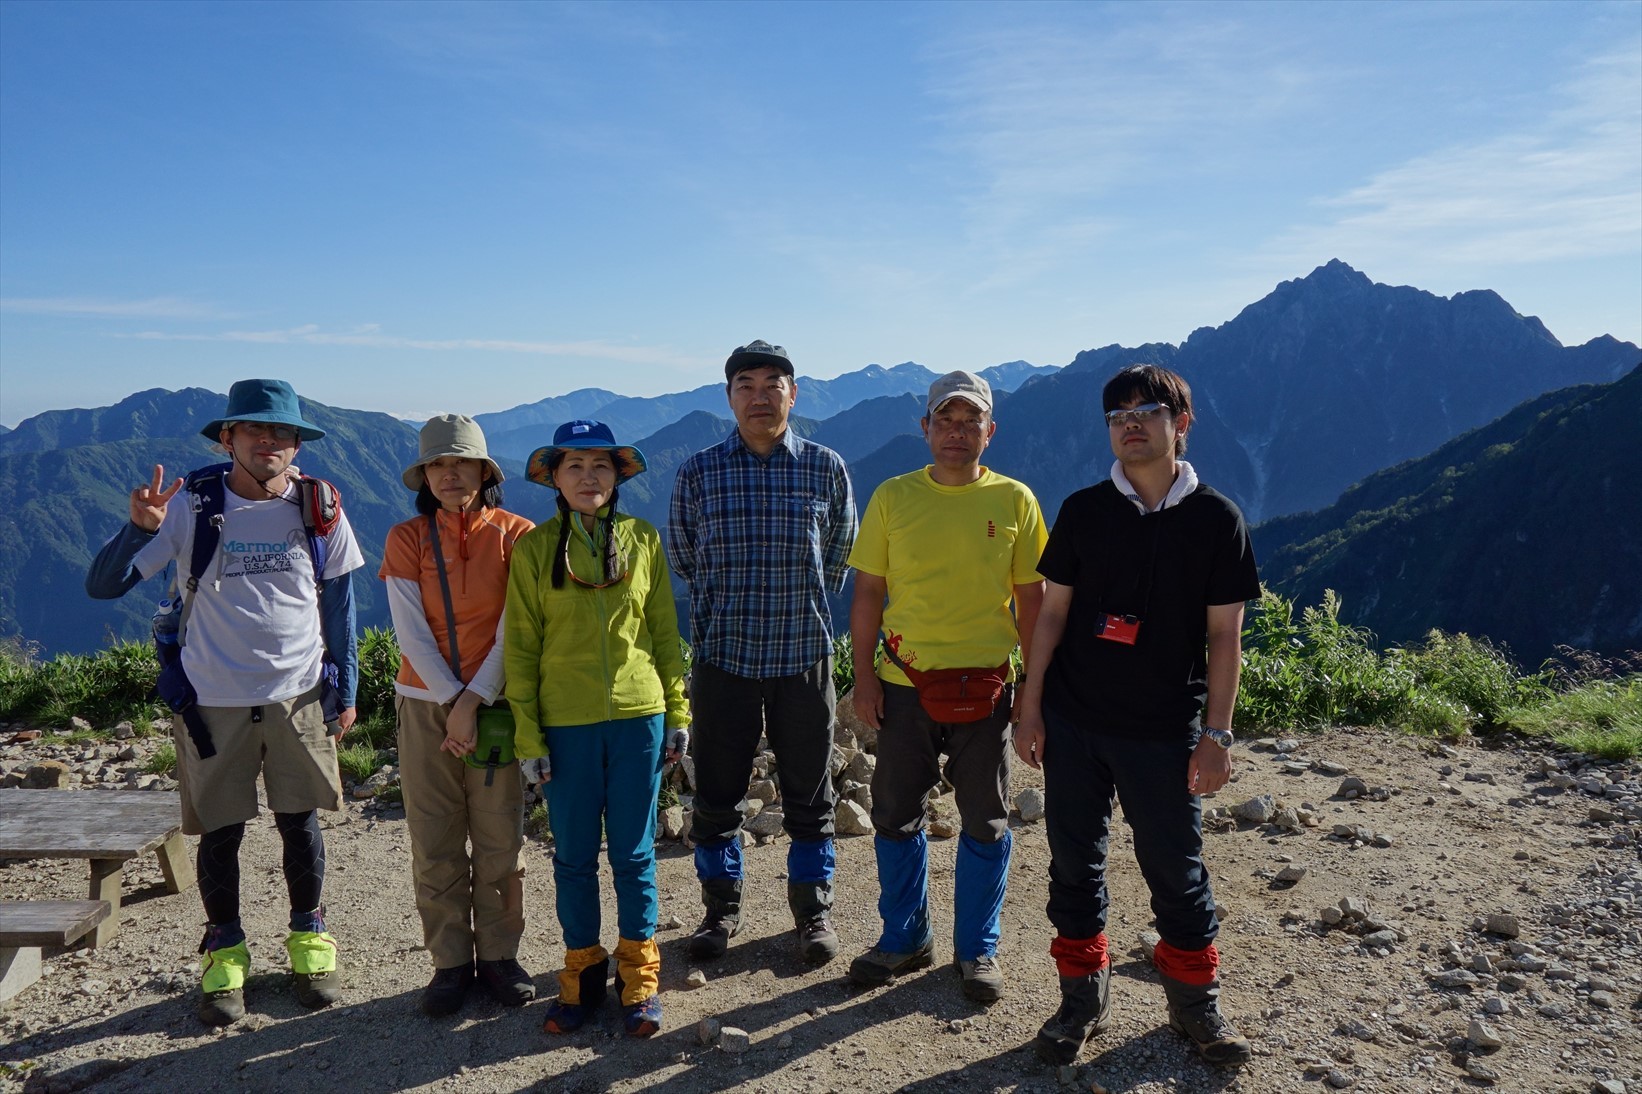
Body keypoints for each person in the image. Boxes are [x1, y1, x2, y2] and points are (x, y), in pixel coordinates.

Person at [85, 378, 364, 1026]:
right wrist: (136, 530)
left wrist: (344, 691)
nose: (270, 442)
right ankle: (225, 951)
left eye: (283, 433)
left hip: (298, 694)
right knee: (222, 830)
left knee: (301, 822)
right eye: (255, 430)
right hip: (214, 699)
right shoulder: (194, 505)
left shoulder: (318, 507)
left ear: (296, 445)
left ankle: (309, 941)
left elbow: (340, 607)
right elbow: (103, 585)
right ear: (229, 438)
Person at [1013, 363, 1261, 1067]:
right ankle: (1079, 1002)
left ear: (1180, 424)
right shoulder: (1085, 510)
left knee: (1176, 869)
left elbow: (1225, 636)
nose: (1130, 423)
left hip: (1162, 727)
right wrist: (1029, 710)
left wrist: (1217, 735)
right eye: (1118, 413)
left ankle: (1196, 1008)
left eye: (1148, 410)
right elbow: (1052, 614)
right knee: (1073, 866)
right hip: (1074, 719)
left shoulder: (1217, 519)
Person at [845, 371, 1046, 1003]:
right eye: (945, 420)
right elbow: (869, 592)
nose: (957, 432)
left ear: (991, 430)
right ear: (926, 428)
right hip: (903, 684)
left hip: (988, 690)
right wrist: (862, 679)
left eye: (970, 421)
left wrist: (1033, 696)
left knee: (985, 820)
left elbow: (1033, 603)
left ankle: (977, 948)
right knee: (895, 815)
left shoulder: (1016, 500)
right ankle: (905, 939)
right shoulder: (892, 498)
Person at [667, 340, 857, 966]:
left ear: (793, 394)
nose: (759, 395)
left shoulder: (825, 468)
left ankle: (813, 913)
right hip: (723, 660)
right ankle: (719, 914)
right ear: (729, 397)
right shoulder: (699, 472)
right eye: (745, 384)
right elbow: (685, 557)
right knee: (717, 797)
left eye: (772, 383)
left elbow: (837, 559)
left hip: (803, 657)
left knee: (810, 794)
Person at [505, 420, 689, 1038]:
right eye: (575, 466)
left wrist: (679, 713)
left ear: (618, 476)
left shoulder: (643, 541)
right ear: (554, 478)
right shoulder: (533, 551)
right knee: (576, 859)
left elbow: (664, 634)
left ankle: (639, 981)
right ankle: (580, 977)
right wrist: (528, 739)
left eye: (601, 466)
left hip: (640, 715)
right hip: (566, 724)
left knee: (636, 855)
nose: (589, 477)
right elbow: (522, 651)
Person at [380, 415, 536, 1016]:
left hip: (489, 706)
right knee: (435, 835)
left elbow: (516, 628)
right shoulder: (406, 537)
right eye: (437, 465)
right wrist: (454, 703)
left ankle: (498, 956)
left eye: (461, 463)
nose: (449, 474)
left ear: (482, 472)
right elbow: (410, 631)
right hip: (427, 707)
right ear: (424, 475)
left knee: (501, 834)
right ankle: (450, 963)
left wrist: (469, 701)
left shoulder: (517, 535)